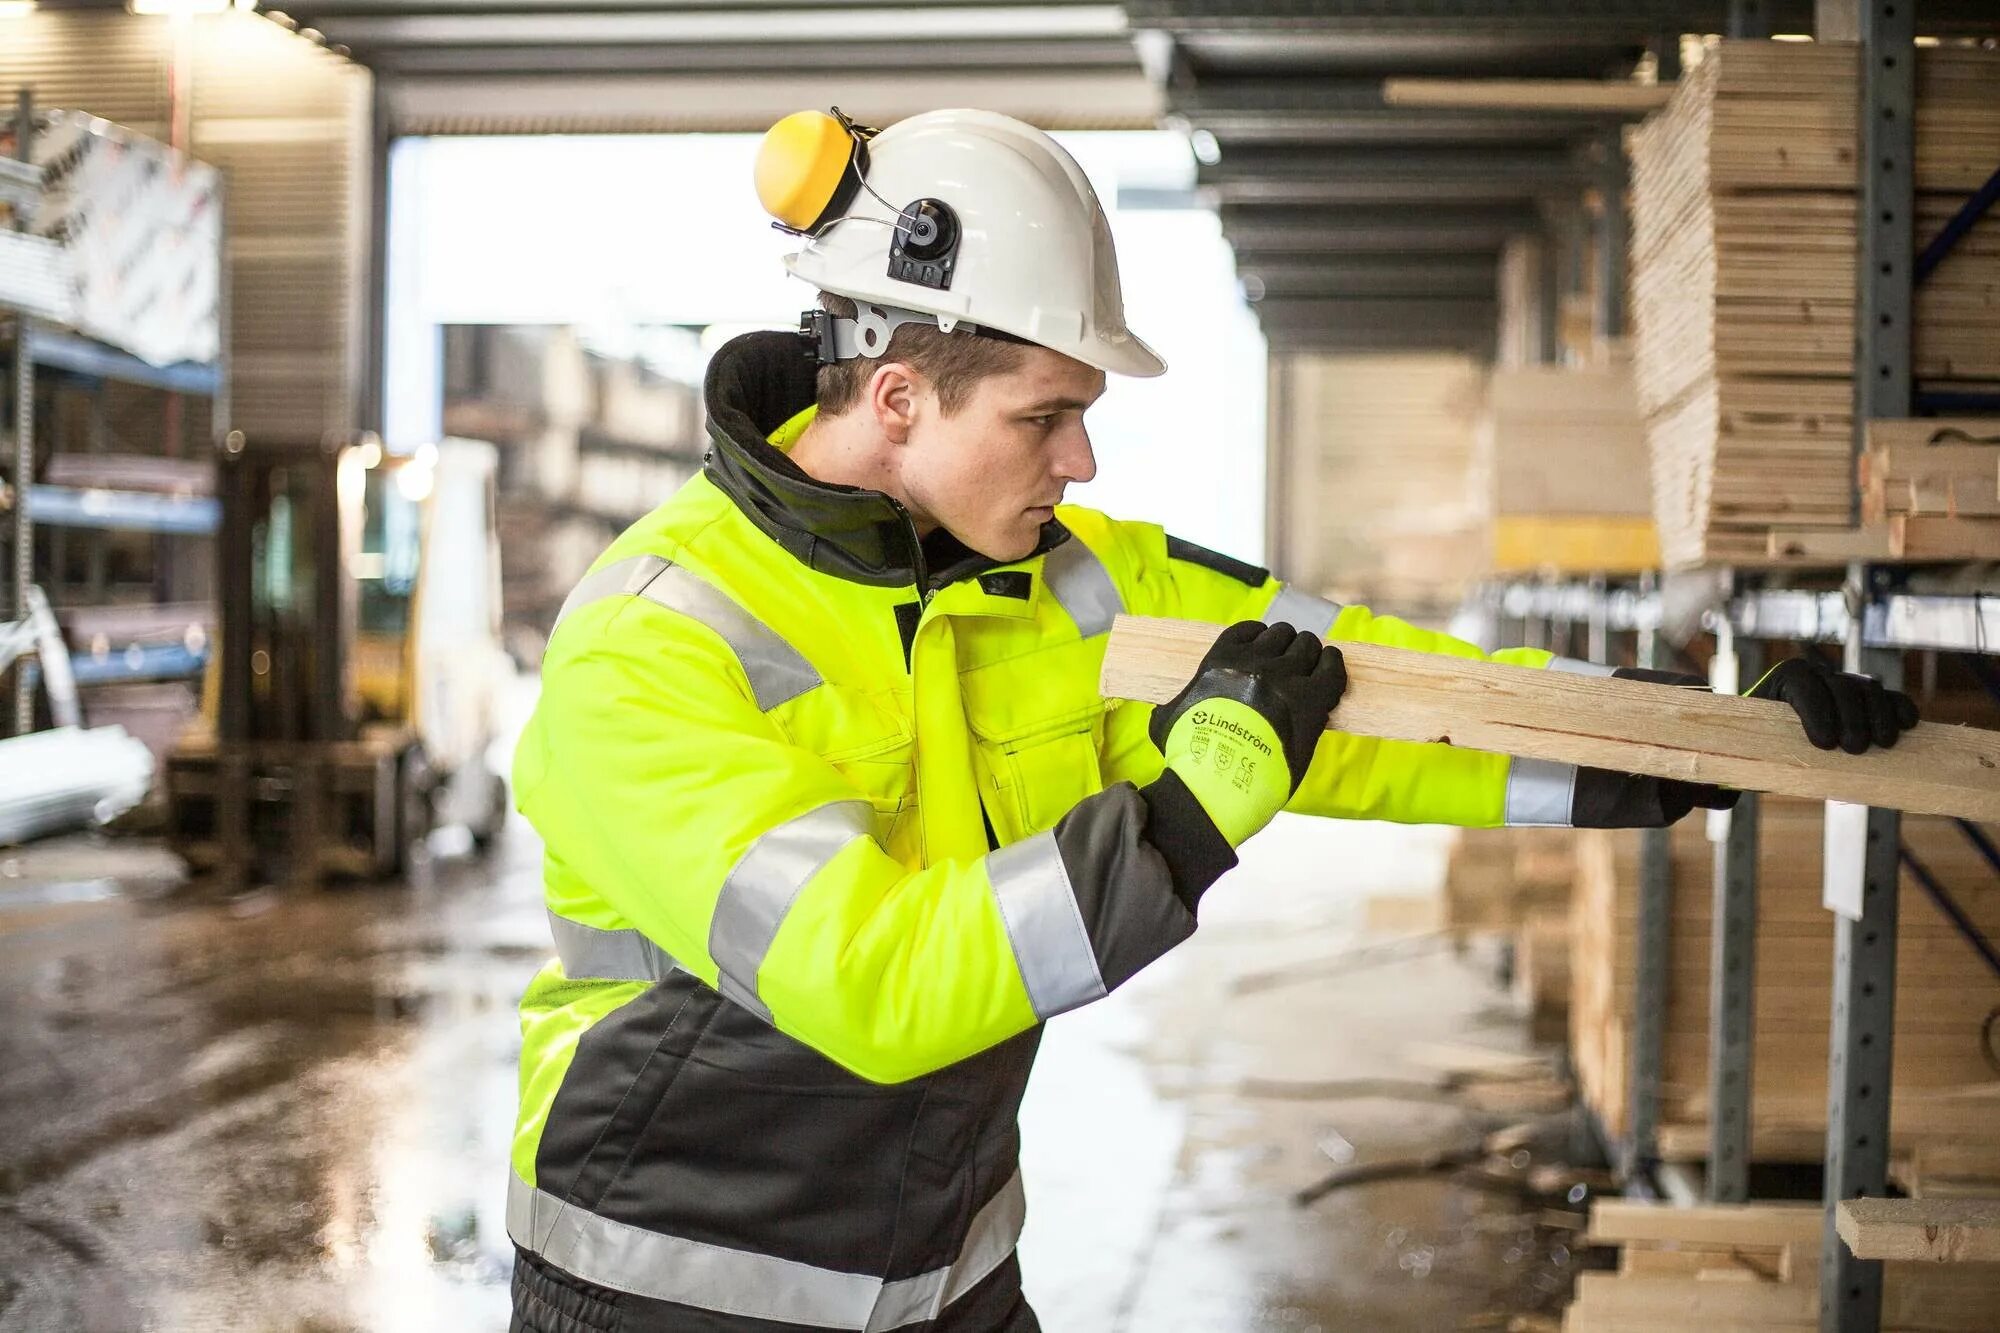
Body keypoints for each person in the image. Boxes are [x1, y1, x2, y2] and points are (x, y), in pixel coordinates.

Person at [505, 108, 1917, 1333]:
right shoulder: (652, 646)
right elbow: (869, 981)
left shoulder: (1065, 581)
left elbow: (1363, 688)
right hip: (672, 1292)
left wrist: (1685, 736)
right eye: (1045, 416)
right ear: (896, 397)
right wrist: (1178, 823)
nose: (1084, 457)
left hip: (944, 1276)